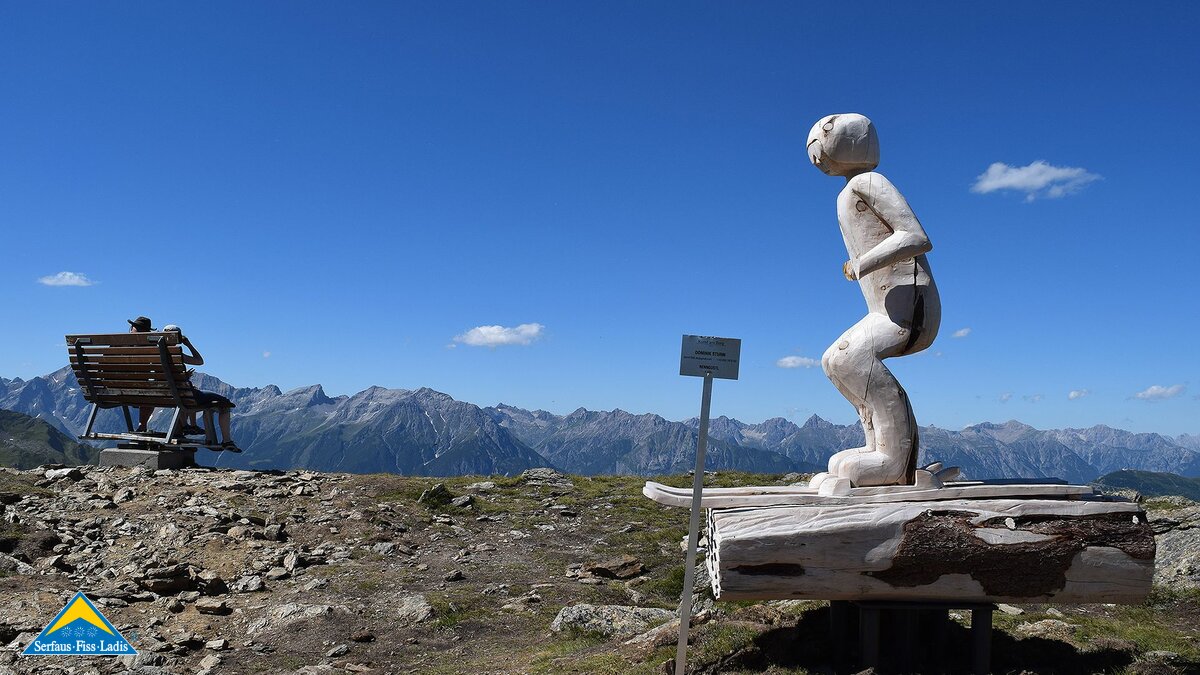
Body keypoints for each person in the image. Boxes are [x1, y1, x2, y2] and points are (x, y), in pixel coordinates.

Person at [803, 114, 941, 488]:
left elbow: (915, 235)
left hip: (908, 307)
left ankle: (894, 460)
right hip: (888, 307)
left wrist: (863, 262)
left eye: (826, 132)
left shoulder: (868, 182)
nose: (816, 147)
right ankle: (876, 446)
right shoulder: (849, 191)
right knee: (835, 360)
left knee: (850, 358)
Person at [161, 325, 239, 452]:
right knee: (225, 404)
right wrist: (188, 344)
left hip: (165, 394)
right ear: (179, 338)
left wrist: (182, 377)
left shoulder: (153, 352)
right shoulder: (177, 353)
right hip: (183, 394)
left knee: (186, 398)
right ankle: (226, 441)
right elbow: (199, 361)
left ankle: (183, 429)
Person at [127, 316, 156, 432]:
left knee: (146, 389)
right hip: (139, 391)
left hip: (109, 391)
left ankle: (142, 426)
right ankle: (142, 425)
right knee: (151, 392)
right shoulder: (150, 347)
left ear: (132, 327)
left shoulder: (116, 344)